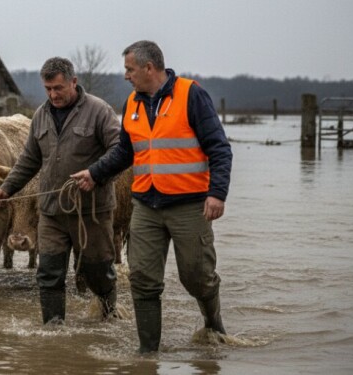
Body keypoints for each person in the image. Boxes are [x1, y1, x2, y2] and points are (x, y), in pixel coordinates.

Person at [70, 40, 233, 353]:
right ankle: (147, 354)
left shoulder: (191, 95)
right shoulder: (132, 103)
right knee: (142, 279)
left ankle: (214, 325)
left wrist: (217, 193)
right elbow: (125, 152)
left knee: (197, 277)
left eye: (130, 69)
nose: (126, 76)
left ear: (149, 67)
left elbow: (219, 148)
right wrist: (94, 173)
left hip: (189, 204)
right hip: (145, 204)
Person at [0, 57, 121, 325]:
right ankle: (53, 330)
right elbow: (29, 159)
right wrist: (7, 188)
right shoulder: (41, 115)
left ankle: (109, 318)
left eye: (58, 88)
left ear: (74, 82)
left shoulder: (99, 111)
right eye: (48, 89)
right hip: (51, 211)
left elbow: (120, 150)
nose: (53, 95)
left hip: (91, 211)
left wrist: (95, 174)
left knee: (97, 271)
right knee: (48, 272)